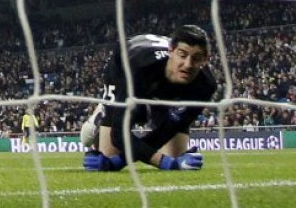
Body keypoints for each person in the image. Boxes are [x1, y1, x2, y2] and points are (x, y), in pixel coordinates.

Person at [81, 26, 217, 172]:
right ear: (171, 51)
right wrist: (169, 164)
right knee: (109, 153)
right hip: (124, 67)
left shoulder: (206, 85)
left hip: (165, 91)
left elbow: (165, 132)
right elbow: (119, 135)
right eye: (182, 55)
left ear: (205, 59)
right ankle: (104, 112)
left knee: (173, 155)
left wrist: (117, 162)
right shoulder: (141, 67)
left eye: (196, 59)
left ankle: (151, 110)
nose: (188, 65)